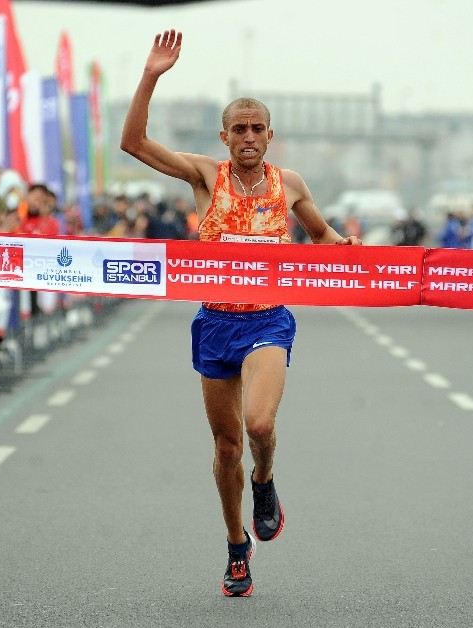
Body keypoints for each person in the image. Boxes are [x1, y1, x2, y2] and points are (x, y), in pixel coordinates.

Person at [121, 30, 361, 598]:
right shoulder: (206, 175)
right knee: (225, 445)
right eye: (239, 129)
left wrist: (349, 252)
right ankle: (236, 546)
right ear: (224, 135)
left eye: (258, 128)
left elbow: (323, 237)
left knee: (259, 426)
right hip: (215, 324)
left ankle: (266, 479)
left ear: (270, 135)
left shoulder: (291, 184)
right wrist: (153, 74)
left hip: (268, 320)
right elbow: (133, 142)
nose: (248, 137)